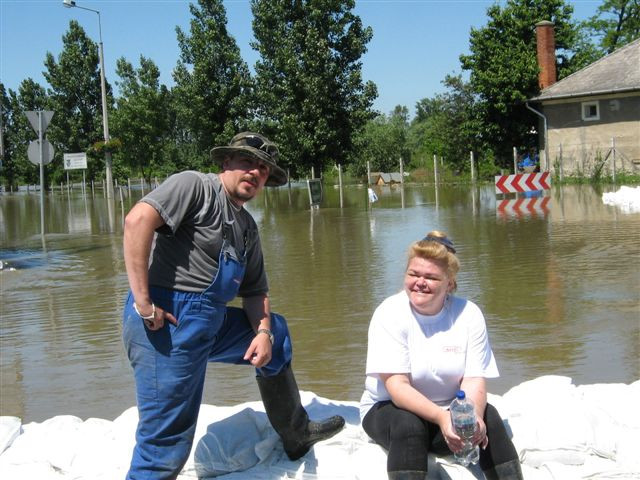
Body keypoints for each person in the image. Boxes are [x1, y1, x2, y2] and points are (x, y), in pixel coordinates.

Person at [122, 132, 345, 479]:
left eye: (263, 169)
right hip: (166, 323)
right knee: (166, 443)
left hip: (210, 322)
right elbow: (137, 221)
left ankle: (296, 434)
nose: (255, 172)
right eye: (247, 162)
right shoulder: (194, 186)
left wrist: (264, 332)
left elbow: (256, 292)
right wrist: (144, 303)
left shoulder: (247, 228)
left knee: (279, 333)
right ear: (226, 162)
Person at [359, 231, 523, 480]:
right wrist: (441, 418)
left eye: (431, 277)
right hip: (389, 410)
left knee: (490, 416)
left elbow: (474, 379)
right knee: (409, 425)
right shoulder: (389, 313)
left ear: (450, 283)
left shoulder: (469, 314)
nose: (420, 282)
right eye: (413, 274)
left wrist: (473, 418)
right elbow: (397, 386)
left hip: (449, 408)